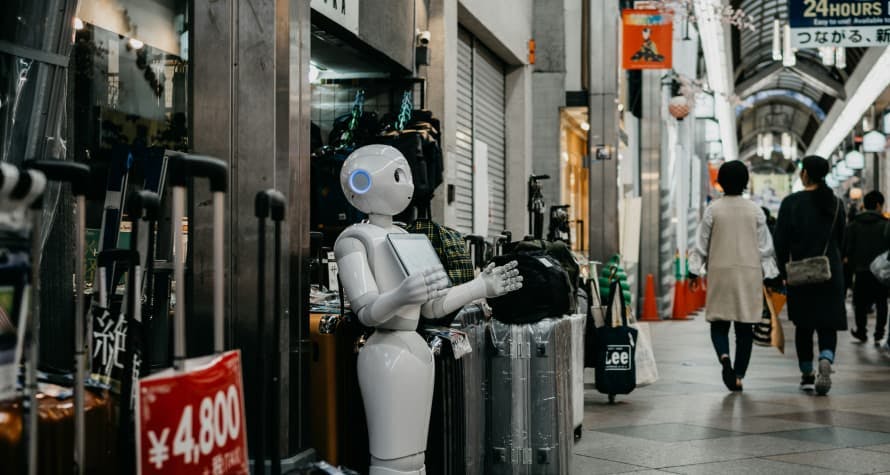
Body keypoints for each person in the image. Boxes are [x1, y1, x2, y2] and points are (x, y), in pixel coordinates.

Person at [689, 161, 779, 392]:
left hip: (720, 273)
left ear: (720, 181)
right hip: (749, 275)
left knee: (719, 323)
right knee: (744, 328)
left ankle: (724, 359)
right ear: (745, 182)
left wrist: (693, 270)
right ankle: (738, 375)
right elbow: (765, 248)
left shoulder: (713, 210)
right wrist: (771, 276)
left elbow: (700, 245)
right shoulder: (755, 211)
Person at [774, 156, 846, 396]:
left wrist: (781, 271)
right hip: (830, 272)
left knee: (803, 326)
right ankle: (826, 357)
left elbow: (780, 242)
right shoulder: (835, 203)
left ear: (805, 174)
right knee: (828, 323)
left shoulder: (791, 203)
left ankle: (807, 374)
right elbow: (841, 240)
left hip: (801, 274)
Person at [844, 191, 888, 346]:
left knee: (860, 302)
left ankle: (861, 331)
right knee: (881, 302)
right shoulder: (885, 225)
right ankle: (879, 333)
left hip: (860, 270)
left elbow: (848, 249)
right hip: (881, 272)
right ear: (877, 205)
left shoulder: (853, 225)